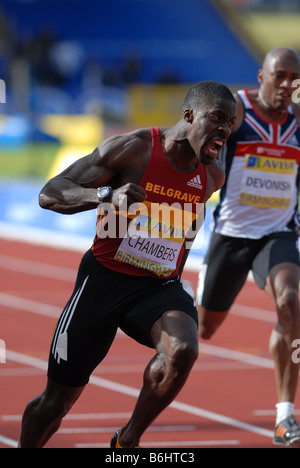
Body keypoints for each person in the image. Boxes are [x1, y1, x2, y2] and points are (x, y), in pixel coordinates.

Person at [18, 81, 237, 448]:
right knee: (55, 404)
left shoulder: (211, 176)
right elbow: (50, 192)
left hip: (157, 287)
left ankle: (127, 442)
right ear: (188, 116)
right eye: (216, 118)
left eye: (229, 123)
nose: (224, 130)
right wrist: (105, 194)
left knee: (183, 349)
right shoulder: (133, 150)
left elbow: (182, 235)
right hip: (103, 281)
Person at [196, 48, 300, 447]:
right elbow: (197, 148)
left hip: (278, 234)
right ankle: (205, 281)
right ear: (262, 76)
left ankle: (284, 416)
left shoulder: (297, 123)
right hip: (232, 235)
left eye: (295, 78)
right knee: (205, 329)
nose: (288, 85)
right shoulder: (235, 111)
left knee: (290, 303)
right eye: (280, 76)